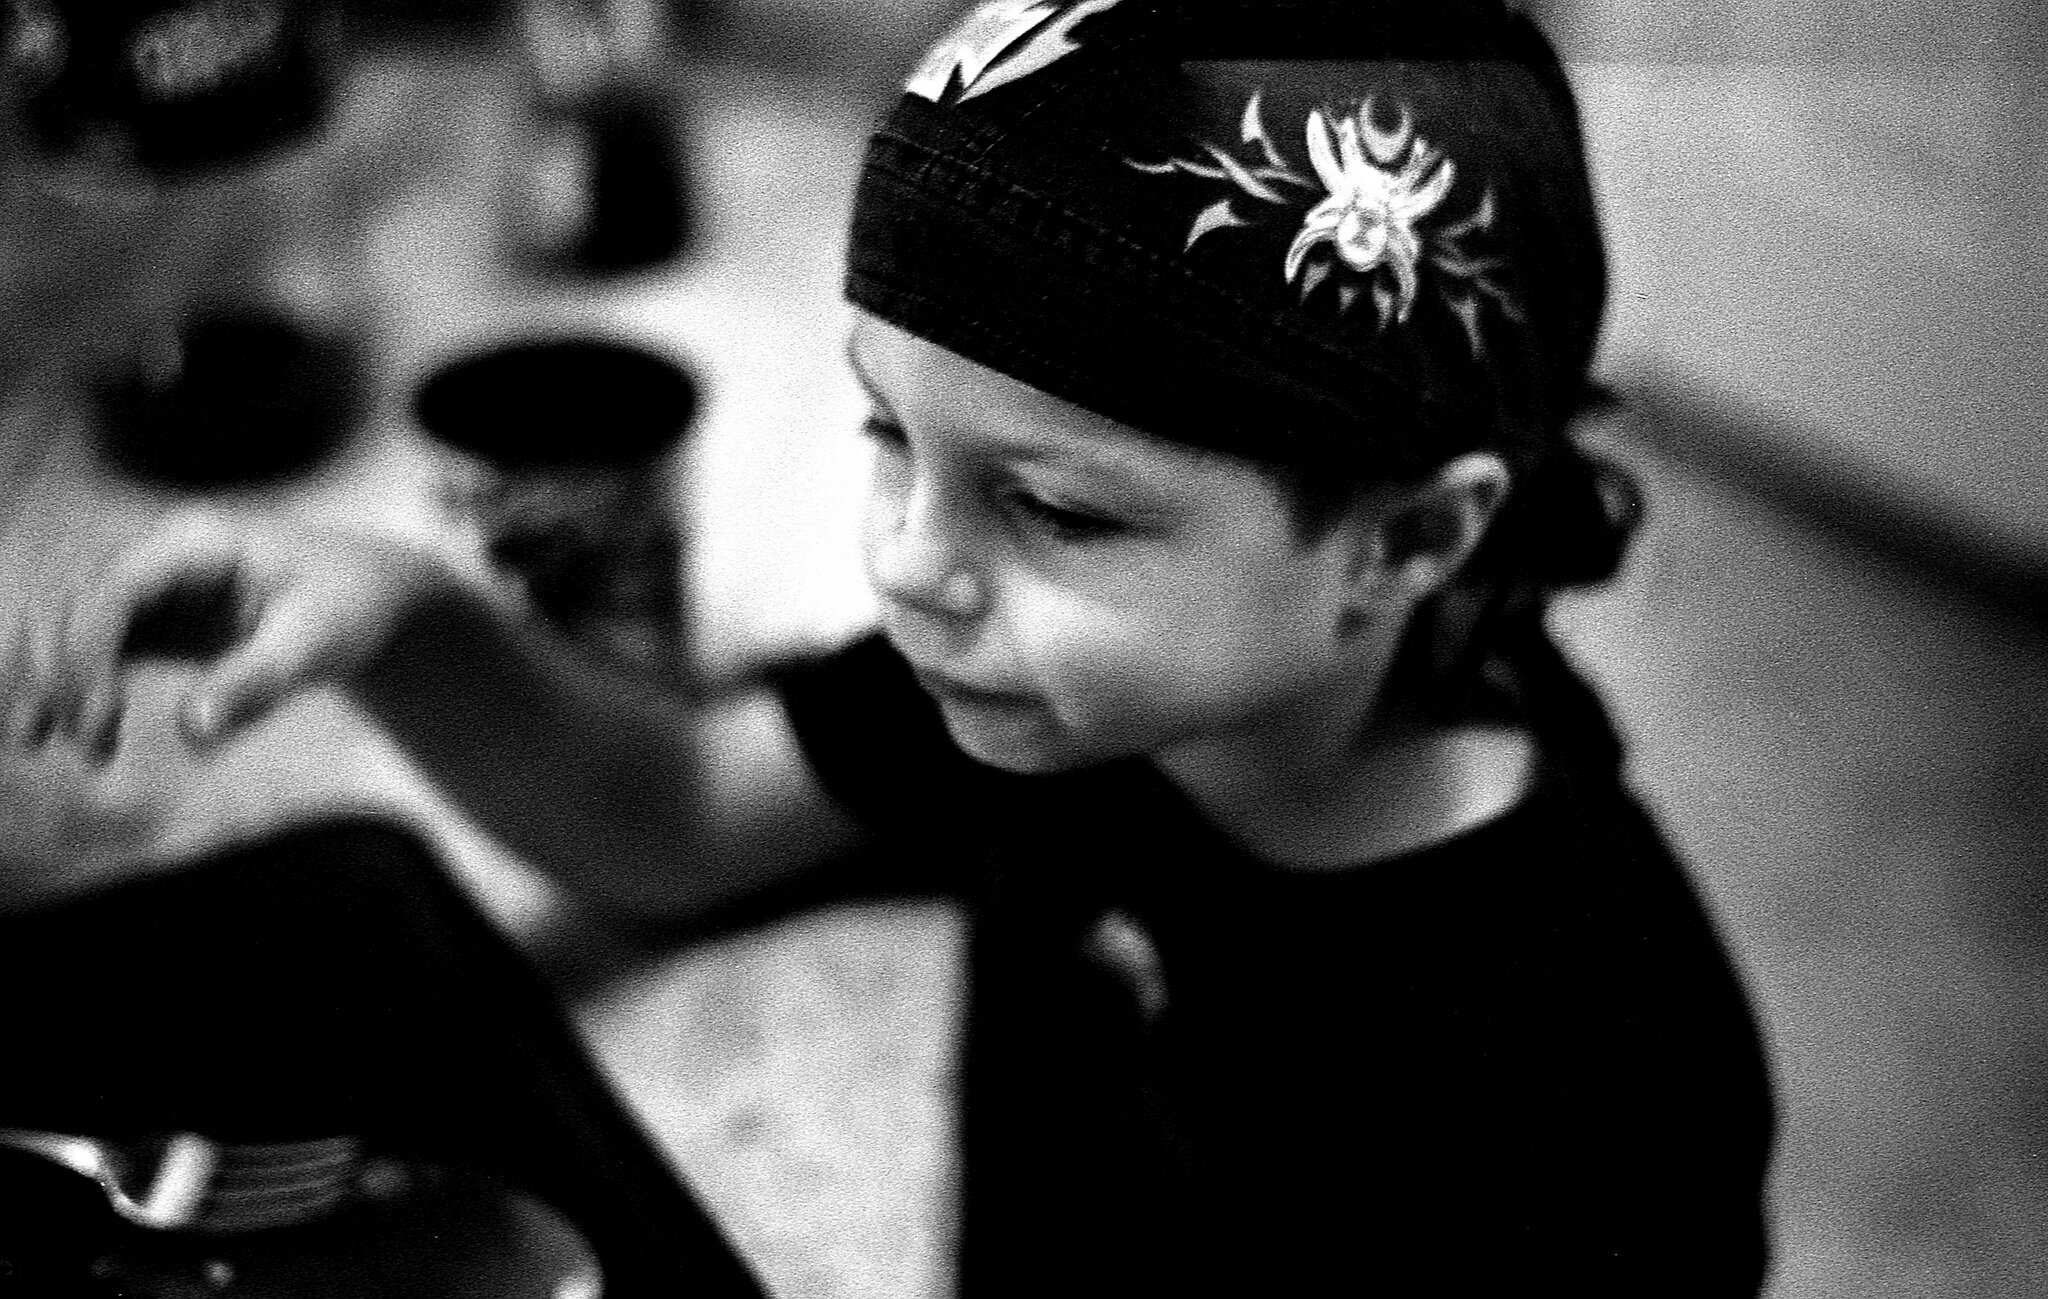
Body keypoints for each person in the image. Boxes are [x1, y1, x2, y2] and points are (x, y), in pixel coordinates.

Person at [14, 0, 1778, 1292]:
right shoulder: (1042, 701)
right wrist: (403, 620)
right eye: (887, 435)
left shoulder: (1594, 1081)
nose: (912, 563)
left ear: (1408, 534)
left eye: (1058, 509)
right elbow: (673, 815)